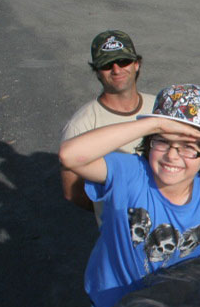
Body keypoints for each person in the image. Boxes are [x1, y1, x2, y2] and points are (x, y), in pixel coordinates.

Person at [58, 84, 200, 307]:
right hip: (111, 305)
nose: (172, 156)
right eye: (162, 141)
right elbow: (69, 156)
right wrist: (155, 123)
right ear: (148, 142)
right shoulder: (130, 172)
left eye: (188, 147)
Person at [61, 30, 154, 214]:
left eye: (123, 61)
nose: (117, 69)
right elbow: (72, 191)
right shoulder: (81, 125)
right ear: (96, 72)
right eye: (107, 65)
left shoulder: (159, 106)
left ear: (136, 64)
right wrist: (105, 211)